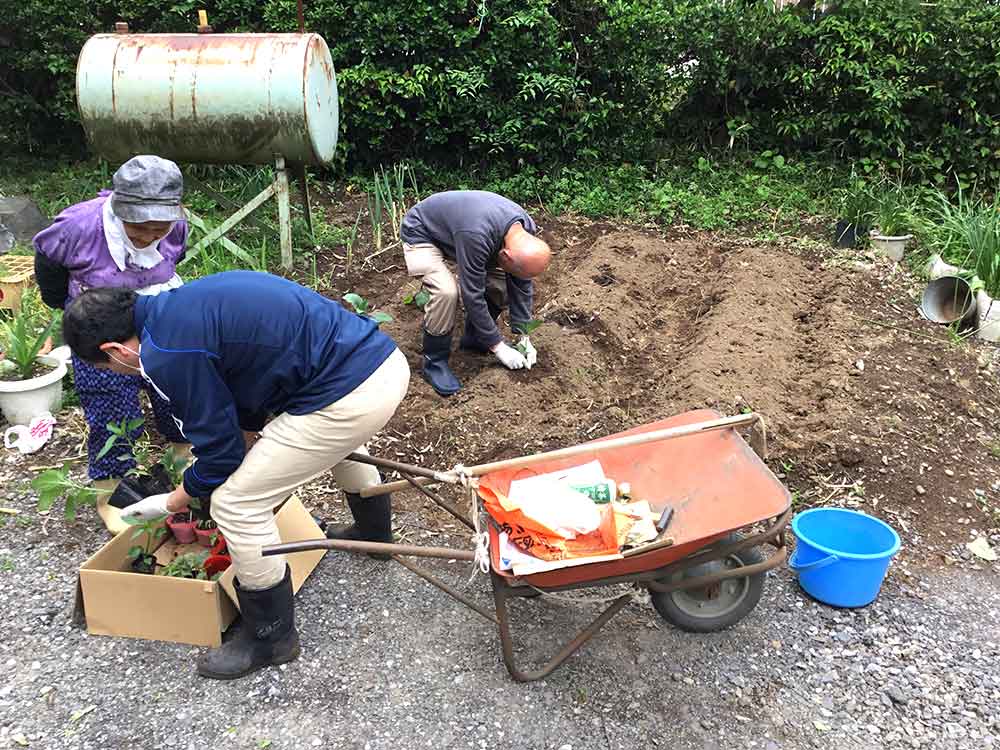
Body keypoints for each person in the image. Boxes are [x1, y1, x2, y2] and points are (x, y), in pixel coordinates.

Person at [61, 271, 409, 680]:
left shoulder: (166, 352)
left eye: (110, 367)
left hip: (348, 396)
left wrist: (174, 499)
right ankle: (374, 536)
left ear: (116, 350)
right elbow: (240, 393)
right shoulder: (181, 305)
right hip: (378, 363)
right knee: (338, 442)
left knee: (237, 504)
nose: (121, 373)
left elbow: (221, 454)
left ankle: (271, 639)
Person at [32, 155, 190, 534]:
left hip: (154, 309)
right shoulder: (78, 225)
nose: (151, 235)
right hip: (99, 319)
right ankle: (112, 489)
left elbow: (175, 256)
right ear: (120, 208)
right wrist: (66, 308)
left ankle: (183, 459)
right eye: (141, 227)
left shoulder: (178, 226)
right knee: (109, 398)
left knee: (172, 386)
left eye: (160, 227)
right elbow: (48, 263)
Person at [399, 190, 552, 396]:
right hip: (423, 232)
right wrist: (498, 346)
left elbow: (521, 284)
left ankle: (475, 338)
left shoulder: (525, 227)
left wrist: (523, 336)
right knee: (446, 292)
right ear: (505, 255)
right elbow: (472, 294)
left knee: (501, 285)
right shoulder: (476, 235)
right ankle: (434, 362)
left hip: (464, 232)